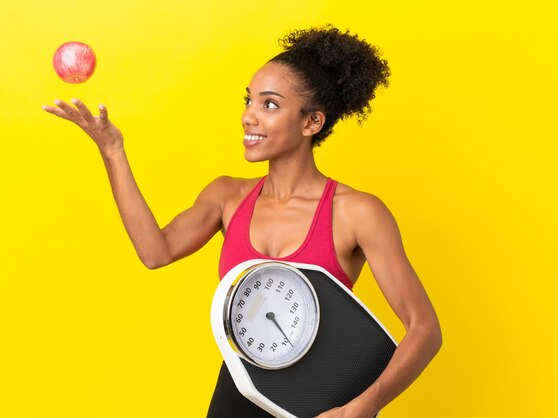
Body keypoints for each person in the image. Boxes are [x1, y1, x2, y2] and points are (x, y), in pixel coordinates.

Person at [43, 25, 442, 418]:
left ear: (311, 123)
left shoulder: (357, 212)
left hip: (319, 407)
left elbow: (424, 328)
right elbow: (154, 252)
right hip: (235, 399)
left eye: (269, 104)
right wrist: (113, 151)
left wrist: (362, 407)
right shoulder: (226, 197)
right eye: (248, 100)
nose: (248, 116)